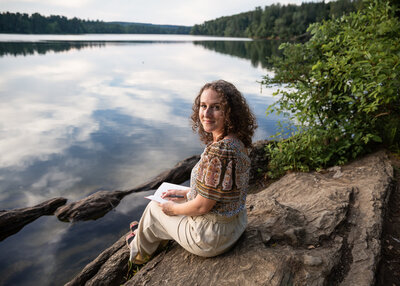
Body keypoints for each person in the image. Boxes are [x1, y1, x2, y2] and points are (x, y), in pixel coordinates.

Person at [126, 79, 257, 264]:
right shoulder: (236, 143)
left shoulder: (218, 153)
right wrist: (186, 192)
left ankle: (137, 254)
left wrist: (172, 209)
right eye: (203, 106)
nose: (206, 113)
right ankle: (150, 234)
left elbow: (202, 207)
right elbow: (221, 191)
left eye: (216, 107)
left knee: (155, 208)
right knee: (171, 195)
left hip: (211, 238)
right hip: (235, 225)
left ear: (230, 113)